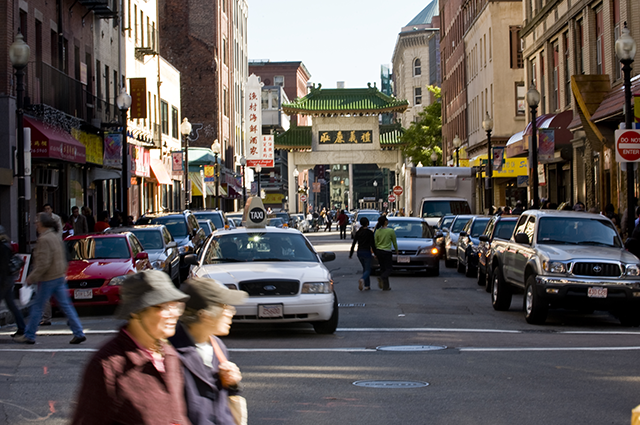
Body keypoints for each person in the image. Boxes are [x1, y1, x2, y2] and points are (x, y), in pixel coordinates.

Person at [72, 270, 191, 425]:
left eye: (176, 305)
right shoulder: (108, 366)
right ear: (136, 311)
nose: (174, 313)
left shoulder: (170, 356)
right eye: (164, 306)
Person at [169, 278, 248, 425]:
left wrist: (232, 385)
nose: (232, 311)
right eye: (225, 306)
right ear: (205, 315)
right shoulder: (171, 352)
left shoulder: (218, 346)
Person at [15, 212, 86, 344]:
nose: (35, 224)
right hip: (58, 276)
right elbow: (63, 257)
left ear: (42, 223)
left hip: (48, 278)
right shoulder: (55, 237)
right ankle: (78, 332)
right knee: (66, 306)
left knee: (37, 306)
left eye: (37, 221)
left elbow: (43, 263)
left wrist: (31, 277)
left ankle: (29, 335)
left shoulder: (44, 239)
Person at [0, 226, 26, 338]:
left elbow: (2, 267)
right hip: (7, 279)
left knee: (12, 304)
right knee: (11, 305)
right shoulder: (6, 244)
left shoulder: (2, 247)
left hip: (3, 280)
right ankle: (22, 327)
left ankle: (22, 327)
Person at [349, 217, 376, 291]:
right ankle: (362, 279)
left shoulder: (358, 232)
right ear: (367, 223)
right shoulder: (369, 233)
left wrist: (351, 254)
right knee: (368, 269)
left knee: (365, 268)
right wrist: (375, 253)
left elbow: (354, 243)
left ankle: (367, 285)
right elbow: (372, 244)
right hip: (367, 252)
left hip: (359, 252)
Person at [374, 216, 398, 291]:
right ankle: (382, 278)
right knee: (389, 268)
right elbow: (394, 241)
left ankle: (386, 286)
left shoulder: (377, 231)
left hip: (379, 251)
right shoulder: (390, 231)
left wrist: (375, 252)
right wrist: (396, 250)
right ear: (385, 222)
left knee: (383, 268)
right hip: (387, 251)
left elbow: (376, 242)